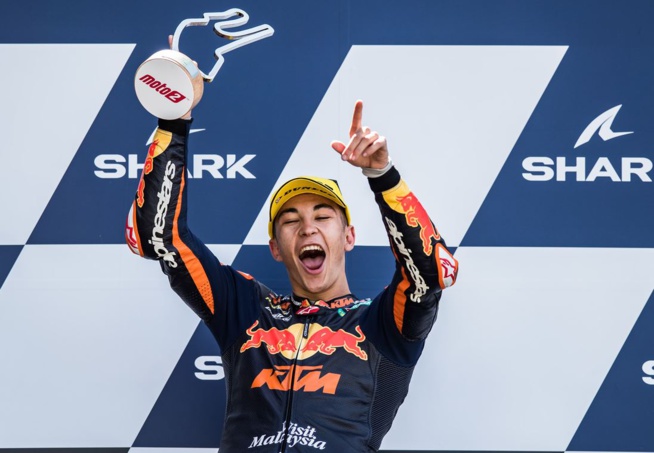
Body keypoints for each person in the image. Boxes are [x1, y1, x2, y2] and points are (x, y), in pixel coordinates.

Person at [125, 99, 458, 452]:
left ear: (349, 237)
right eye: (290, 220)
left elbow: (431, 272)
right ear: (276, 248)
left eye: (322, 217)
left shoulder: (381, 325)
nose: (307, 228)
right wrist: (174, 121)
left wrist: (383, 176)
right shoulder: (246, 309)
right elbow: (160, 238)